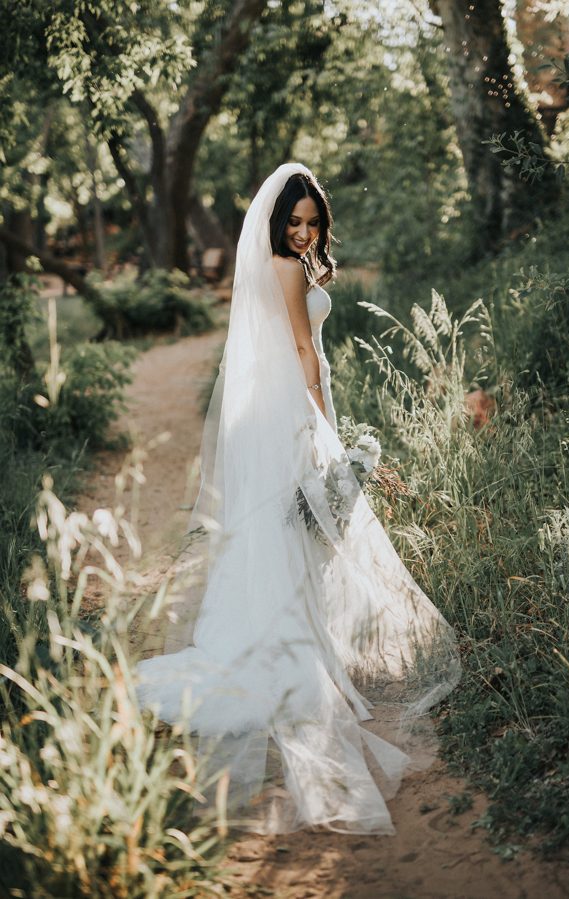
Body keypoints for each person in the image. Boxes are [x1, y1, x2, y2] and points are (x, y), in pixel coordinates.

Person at [135, 163, 460, 835]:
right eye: (295, 223)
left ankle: (299, 645)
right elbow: (304, 348)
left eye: (313, 223)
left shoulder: (290, 265)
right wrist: (325, 426)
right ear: (277, 224)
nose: (306, 233)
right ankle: (287, 654)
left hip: (285, 408)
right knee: (297, 529)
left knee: (293, 531)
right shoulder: (285, 269)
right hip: (294, 413)